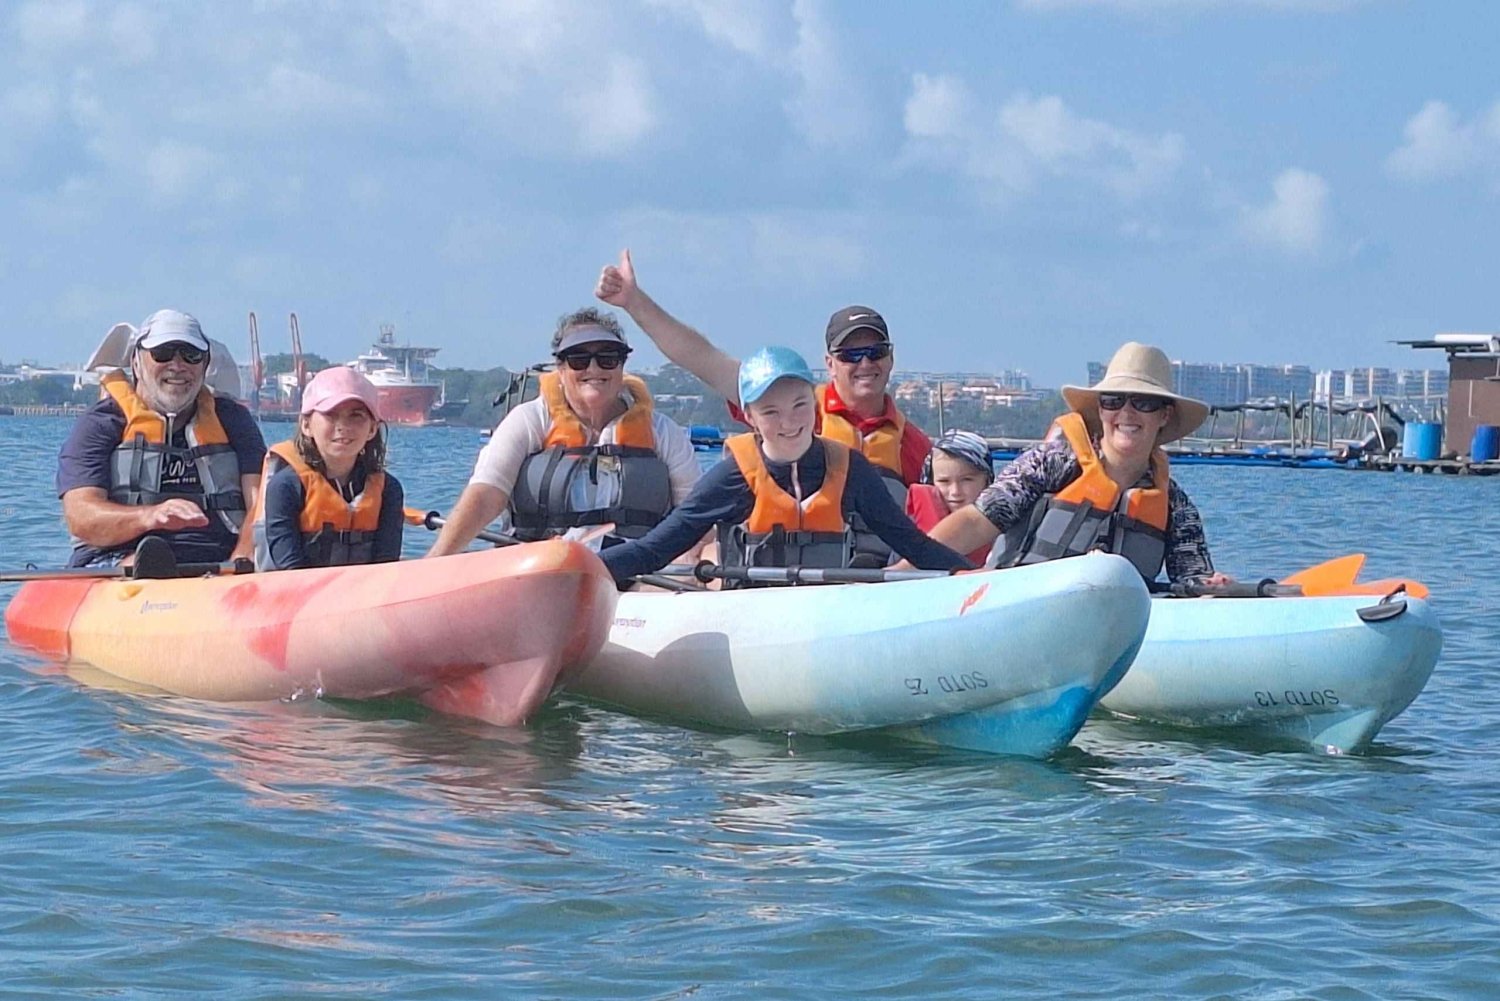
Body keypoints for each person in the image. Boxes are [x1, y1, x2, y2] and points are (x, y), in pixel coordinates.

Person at [596, 249, 931, 561]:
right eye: (850, 355)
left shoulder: (913, 444)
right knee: (707, 551)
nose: (864, 364)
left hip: (884, 584)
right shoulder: (786, 403)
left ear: (890, 358)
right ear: (830, 363)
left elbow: (931, 529)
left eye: (875, 352)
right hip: (780, 580)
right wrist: (634, 302)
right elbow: (702, 358)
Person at [599, 347, 971, 587]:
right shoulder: (733, 477)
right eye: (770, 412)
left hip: (824, 618)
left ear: (815, 404)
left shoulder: (850, 470)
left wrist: (973, 577)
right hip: (749, 621)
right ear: (750, 417)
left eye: (798, 406)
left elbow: (913, 544)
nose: (789, 422)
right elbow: (654, 550)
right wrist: (586, 568)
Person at [922, 342, 1232, 588]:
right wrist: (909, 565)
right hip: (1013, 606)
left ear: (1164, 415)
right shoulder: (1050, 463)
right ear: (1101, 409)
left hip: (1108, 632)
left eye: (1144, 402)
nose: (1126, 413)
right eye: (1114, 400)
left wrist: (1210, 586)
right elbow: (976, 522)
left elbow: (1193, 581)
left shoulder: (1176, 506)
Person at [426, 307, 700, 557]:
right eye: (579, 359)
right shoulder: (530, 420)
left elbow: (695, 518)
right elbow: (486, 494)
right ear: (560, 367)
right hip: (542, 570)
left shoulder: (664, 433)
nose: (593, 368)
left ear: (622, 365)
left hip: (639, 575)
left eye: (607, 358)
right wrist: (436, 561)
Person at [56, 309, 266, 568]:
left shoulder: (234, 420)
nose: (177, 366)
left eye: (191, 356)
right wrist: (152, 516)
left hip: (220, 559)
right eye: (163, 353)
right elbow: (81, 516)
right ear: (136, 362)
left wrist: (242, 557)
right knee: (141, 561)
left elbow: (261, 501)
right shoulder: (100, 423)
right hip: (118, 559)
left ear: (205, 364)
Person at [253, 366, 405, 570]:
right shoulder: (286, 486)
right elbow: (289, 567)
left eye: (356, 415)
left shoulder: (389, 490)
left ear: (372, 429)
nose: (343, 426)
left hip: (363, 593)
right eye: (331, 415)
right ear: (306, 425)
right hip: (298, 592)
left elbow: (386, 564)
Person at [905, 429, 995, 567]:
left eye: (967, 480)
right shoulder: (909, 529)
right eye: (944, 482)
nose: (955, 491)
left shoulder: (1005, 529)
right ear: (930, 481)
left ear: (987, 481)